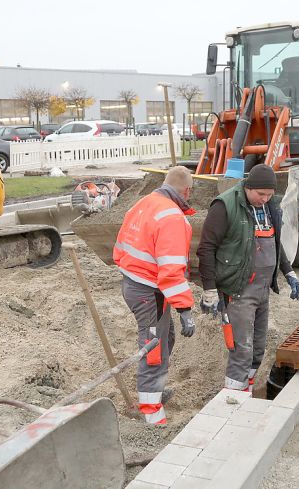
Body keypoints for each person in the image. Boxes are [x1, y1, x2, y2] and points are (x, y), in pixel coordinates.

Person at [197, 164, 299, 392]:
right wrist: (210, 289)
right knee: (241, 350)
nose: (264, 199)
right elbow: (206, 248)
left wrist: (289, 272)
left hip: (262, 291)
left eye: (269, 195)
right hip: (238, 290)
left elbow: (275, 243)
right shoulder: (225, 206)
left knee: (257, 349)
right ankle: (233, 398)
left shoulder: (269, 206)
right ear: (248, 187)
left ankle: (248, 388)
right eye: (260, 194)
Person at [113, 166, 197, 425]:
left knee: (165, 337)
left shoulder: (143, 203)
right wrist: (185, 309)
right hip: (149, 291)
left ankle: (155, 391)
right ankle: (151, 411)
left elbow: (120, 247)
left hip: (132, 281)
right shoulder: (172, 217)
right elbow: (171, 271)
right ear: (187, 191)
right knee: (154, 346)